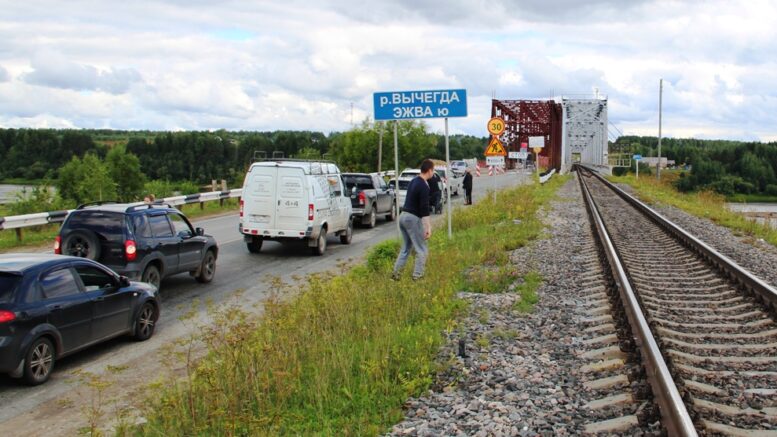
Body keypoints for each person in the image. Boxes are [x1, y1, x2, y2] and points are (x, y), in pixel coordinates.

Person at [392, 159, 434, 281]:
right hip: (412, 218)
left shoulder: (413, 181)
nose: (433, 173)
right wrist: (428, 228)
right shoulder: (424, 186)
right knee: (421, 249)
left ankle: (395, 276)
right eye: (433, 170)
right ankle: (417, 277)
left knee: (405, 248)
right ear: (430, 170)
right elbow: (424, 209)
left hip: (403, 216)